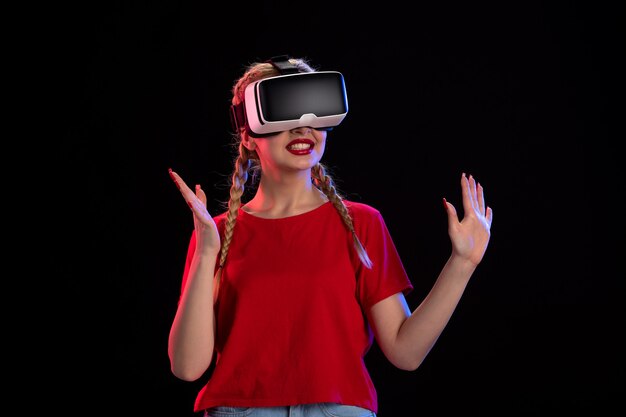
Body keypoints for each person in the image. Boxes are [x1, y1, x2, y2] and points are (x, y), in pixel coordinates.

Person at [167, 55, 493, 417]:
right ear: (248, 135)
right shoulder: (214, 235)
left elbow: (405, 352)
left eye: (313, 113)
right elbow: (187, 367)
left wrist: (462, 263)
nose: (302, 129)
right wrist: (205, 252)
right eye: (284, 113)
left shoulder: (360, 224)